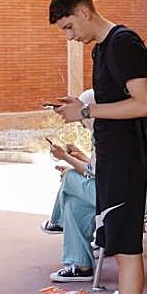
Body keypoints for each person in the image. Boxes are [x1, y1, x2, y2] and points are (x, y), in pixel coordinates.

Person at [48, 0, 147, 294]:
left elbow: (143, 104)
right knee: (120, 244)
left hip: (126, 162)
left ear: (85, 12)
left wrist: (86, 110)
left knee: (125, 248)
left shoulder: (122, 43)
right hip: (112, 160)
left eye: (69, 26)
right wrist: (81, 111)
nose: (69, 36)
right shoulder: (103, 49)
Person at [43, 90, 98, 283]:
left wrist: (65, 157)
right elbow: (99, 168)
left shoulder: (105, 133)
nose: (81, 124)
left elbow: (94, 172)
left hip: (115, 195)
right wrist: (81, 156)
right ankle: (82, 267)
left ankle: (57, 222)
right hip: (119, 190)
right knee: (74, 206)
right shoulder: (109, 130)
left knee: (69, 178)